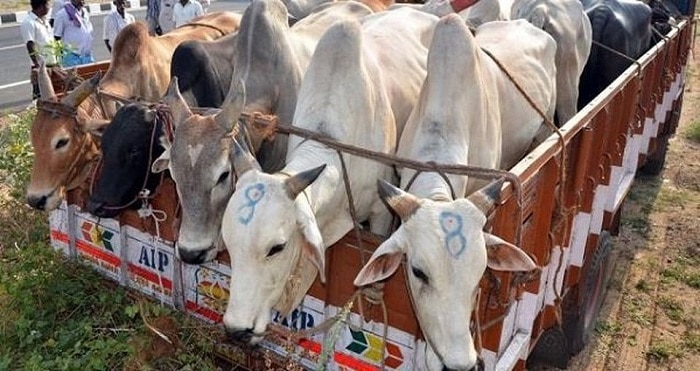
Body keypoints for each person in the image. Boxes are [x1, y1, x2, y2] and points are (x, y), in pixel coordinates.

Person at [20, 0, 57, 100]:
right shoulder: (29, 22)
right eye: (47, 5)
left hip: (52, 63)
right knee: (40, 96)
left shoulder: (44, 21)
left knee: (54, 94)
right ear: (41, 6)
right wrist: (37, 65)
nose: (49, 8)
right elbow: (30, 44)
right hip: (41, 67)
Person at [53, 0, 94, 67]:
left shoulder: (84, 11)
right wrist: (59, 59)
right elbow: (57, 38)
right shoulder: (62, 14)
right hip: (71, 58)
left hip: (87, 56)